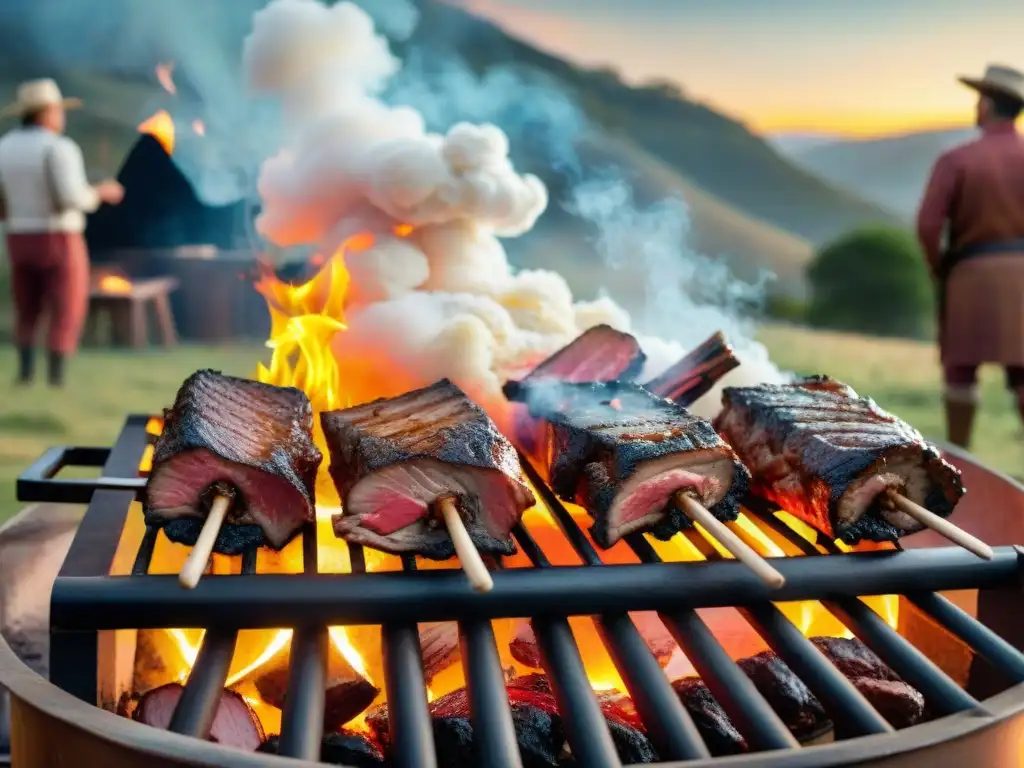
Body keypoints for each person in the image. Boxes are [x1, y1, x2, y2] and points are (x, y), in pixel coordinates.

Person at [917, 64, 1024, 449]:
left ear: (987, 104)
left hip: (972, 277)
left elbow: (928, 226)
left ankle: (962, 462)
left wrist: (941, 270)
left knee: (960, 377)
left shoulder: (957, 159)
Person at [0, 78, 124, 387]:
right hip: (58, 236)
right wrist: (100, 193)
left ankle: (25, 373)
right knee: (67, 305)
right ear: (46, 113)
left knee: (26, 306)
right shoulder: (59, 148)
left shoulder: (4, 147)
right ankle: (56, 377)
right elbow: (72, 197)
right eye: (57, 110)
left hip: (17, 236)